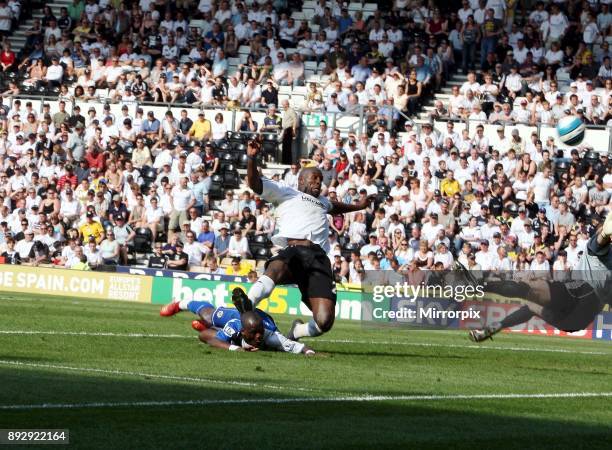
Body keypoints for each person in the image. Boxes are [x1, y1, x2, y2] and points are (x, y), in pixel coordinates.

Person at [230, 140, 373, 341]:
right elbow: (255, 184)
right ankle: (248, 304)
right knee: (276, 267)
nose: (318, 182)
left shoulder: (322, 202)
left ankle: (297, 331)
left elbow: (336, 206)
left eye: (320, 179)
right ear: (301, 180)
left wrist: (359, 206)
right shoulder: (287, 192)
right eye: (314, 178)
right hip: (294, 249)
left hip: (319, 259)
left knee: (325, 321)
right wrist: (252, 158)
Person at [469, 211, 612, 342]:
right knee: (532, 306)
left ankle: (478, 286)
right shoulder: (599, 247)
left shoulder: (601, 248)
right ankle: (493, 327)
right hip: (576, 322)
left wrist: (605, 232)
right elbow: (600, 240)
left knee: (531, 287)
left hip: (577, 297)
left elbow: (602, 237)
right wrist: (605, 233)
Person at [159, 298, 314, 355]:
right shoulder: (234, 324)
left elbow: (296, 347)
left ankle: (213, 329)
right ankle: (180, 304)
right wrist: (236, 349)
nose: (258, 337)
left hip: (262, 321)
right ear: (243, 331)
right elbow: (205, 339)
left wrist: (310, 352)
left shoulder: (269, 334)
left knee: (274, 346)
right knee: (208, 316)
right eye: (255, 334)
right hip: (237, 316)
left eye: (259, 333)